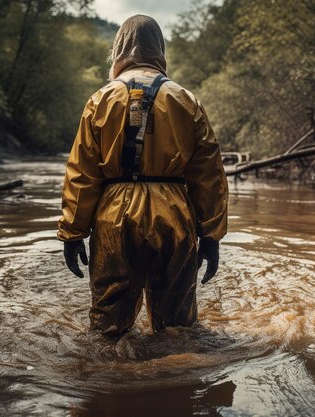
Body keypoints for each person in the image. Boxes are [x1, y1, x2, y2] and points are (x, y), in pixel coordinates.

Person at [57, 15, 228, 336]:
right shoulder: (186, 100)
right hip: (174, 217)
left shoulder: (100, 100)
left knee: (109, 330)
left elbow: (81, 175)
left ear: (118, 50)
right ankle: (179, 379)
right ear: (160, 51)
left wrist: (72, 232)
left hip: (114, 218)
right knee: (178, 329)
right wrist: (211, 235)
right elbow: (209, 175)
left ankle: (110, 379)